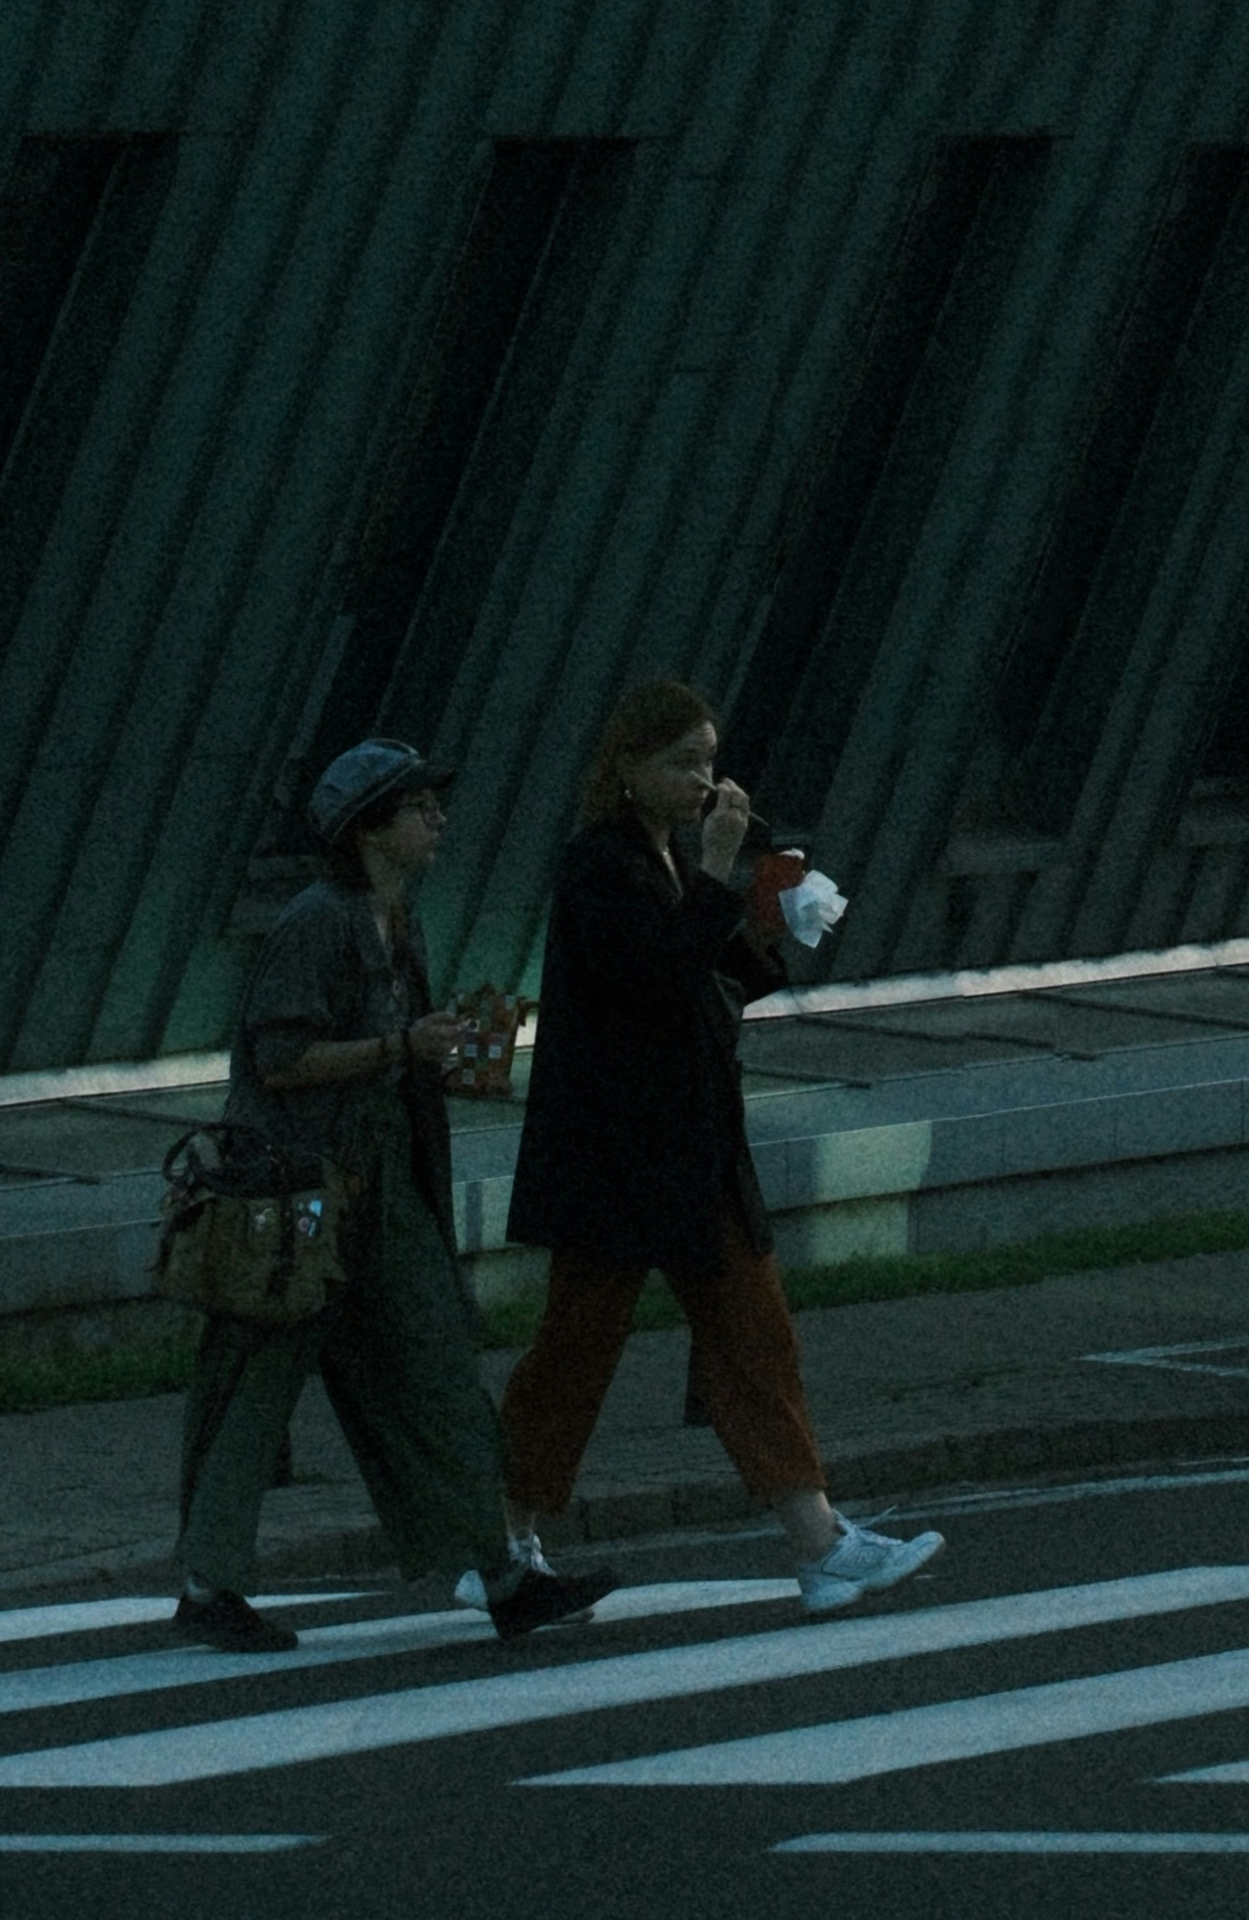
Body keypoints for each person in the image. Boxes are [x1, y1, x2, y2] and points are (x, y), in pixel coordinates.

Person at [498, 678, 942, 1615]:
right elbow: (654, 976)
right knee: (577, 1347)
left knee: (753, 1338)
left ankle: (817, 1538)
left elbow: (705, 984)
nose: (703, 779)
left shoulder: (659, 863)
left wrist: (770, 928)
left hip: (688, 1149)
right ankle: (506, 1531)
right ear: (628, 769)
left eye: (708, 759)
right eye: (682, 762)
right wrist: (715, 870)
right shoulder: (599, 867)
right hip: (622, 1155)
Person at [174, 740, 613, 1655]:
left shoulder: (397, 917)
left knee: (438, 1370)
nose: (438, 822)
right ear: (370, 828)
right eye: (420, 809)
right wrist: (398, 1050)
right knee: (258, 1386)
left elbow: (392, 1051)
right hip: (301, 1197)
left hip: (380, 1190)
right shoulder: (319, 922)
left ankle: (499, 1575)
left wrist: (444, 1053)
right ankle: (208, 1584)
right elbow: (278, 1058)